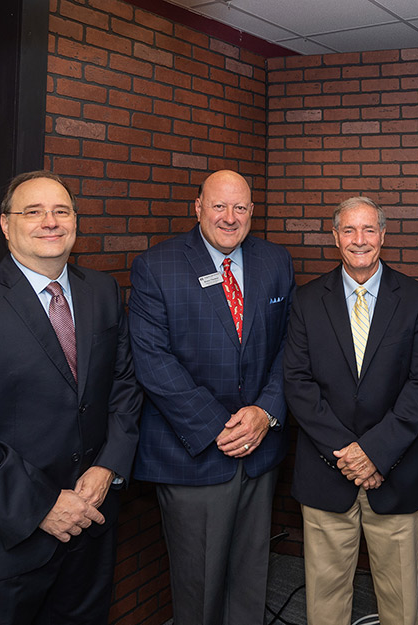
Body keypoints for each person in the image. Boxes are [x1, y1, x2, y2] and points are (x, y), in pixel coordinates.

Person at [0, 170, 142, 624]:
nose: (50, 221)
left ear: (76, 222)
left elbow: (123, 385)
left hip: (89, 530)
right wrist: (42, 505)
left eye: (61, 211)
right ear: (5, 224)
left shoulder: (101, 291)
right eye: (33, 211)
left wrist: (108, 467)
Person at [128, 169, 294, 625]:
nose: (229, 217)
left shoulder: (276, 261)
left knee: (249, 580)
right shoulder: (155, 266)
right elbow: (153, 361)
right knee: (198, 590)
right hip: (193, 454)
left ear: (252, 212)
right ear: (197, 207)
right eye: (218, 206)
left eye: (240, 207)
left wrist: (265, 411)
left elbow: (290, 347)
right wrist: (220, 427)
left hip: (260, 451)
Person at [283, 197, 418, 625]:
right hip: (326, 472)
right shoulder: (307, 300)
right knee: (326, 599)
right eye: (349, 231)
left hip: (397, 473)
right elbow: (297, 383)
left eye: (369, 230)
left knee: (400, 601)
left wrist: (374, 452)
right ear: (335, 237)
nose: (359, 240)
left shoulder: (417, 299)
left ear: (383, 236)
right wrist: (349, 453)